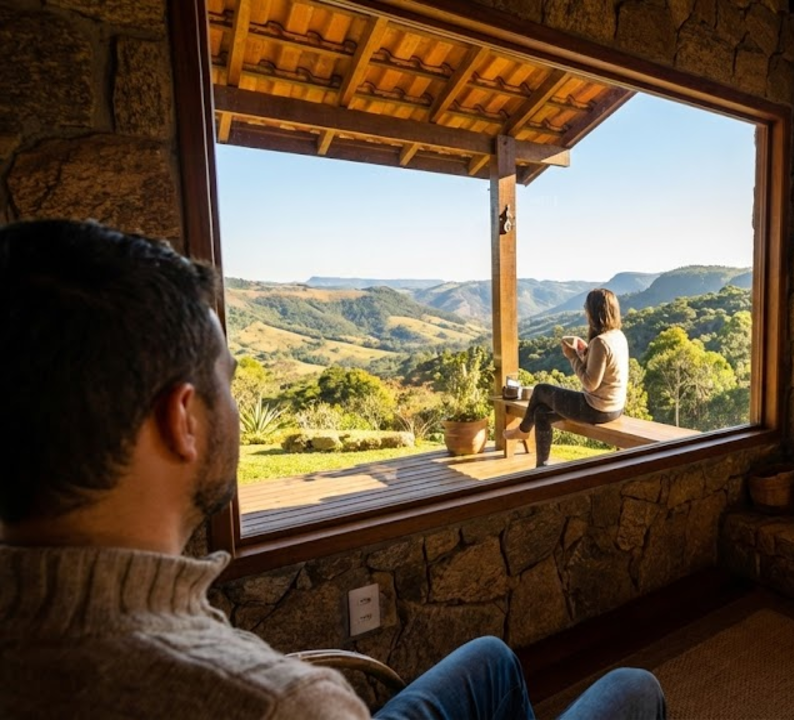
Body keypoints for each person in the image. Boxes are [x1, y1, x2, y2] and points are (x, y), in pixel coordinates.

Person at [0, 220, 666, 720]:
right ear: (183, 420)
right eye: (226, 380)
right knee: (634, 687)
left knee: (490, 658)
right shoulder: (285, 702)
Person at [505, 289, 628, 467]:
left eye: (586, 307)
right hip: (615, 408)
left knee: (540, 390)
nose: (585, 311)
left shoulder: (600, 342)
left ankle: (523, 430)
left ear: (594, 311)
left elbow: (590, 384)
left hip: (596, 409)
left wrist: (572, 357)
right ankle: (542, 467)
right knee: (541, 414)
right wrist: (585, 352)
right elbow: (604, 370)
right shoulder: (618, 336)